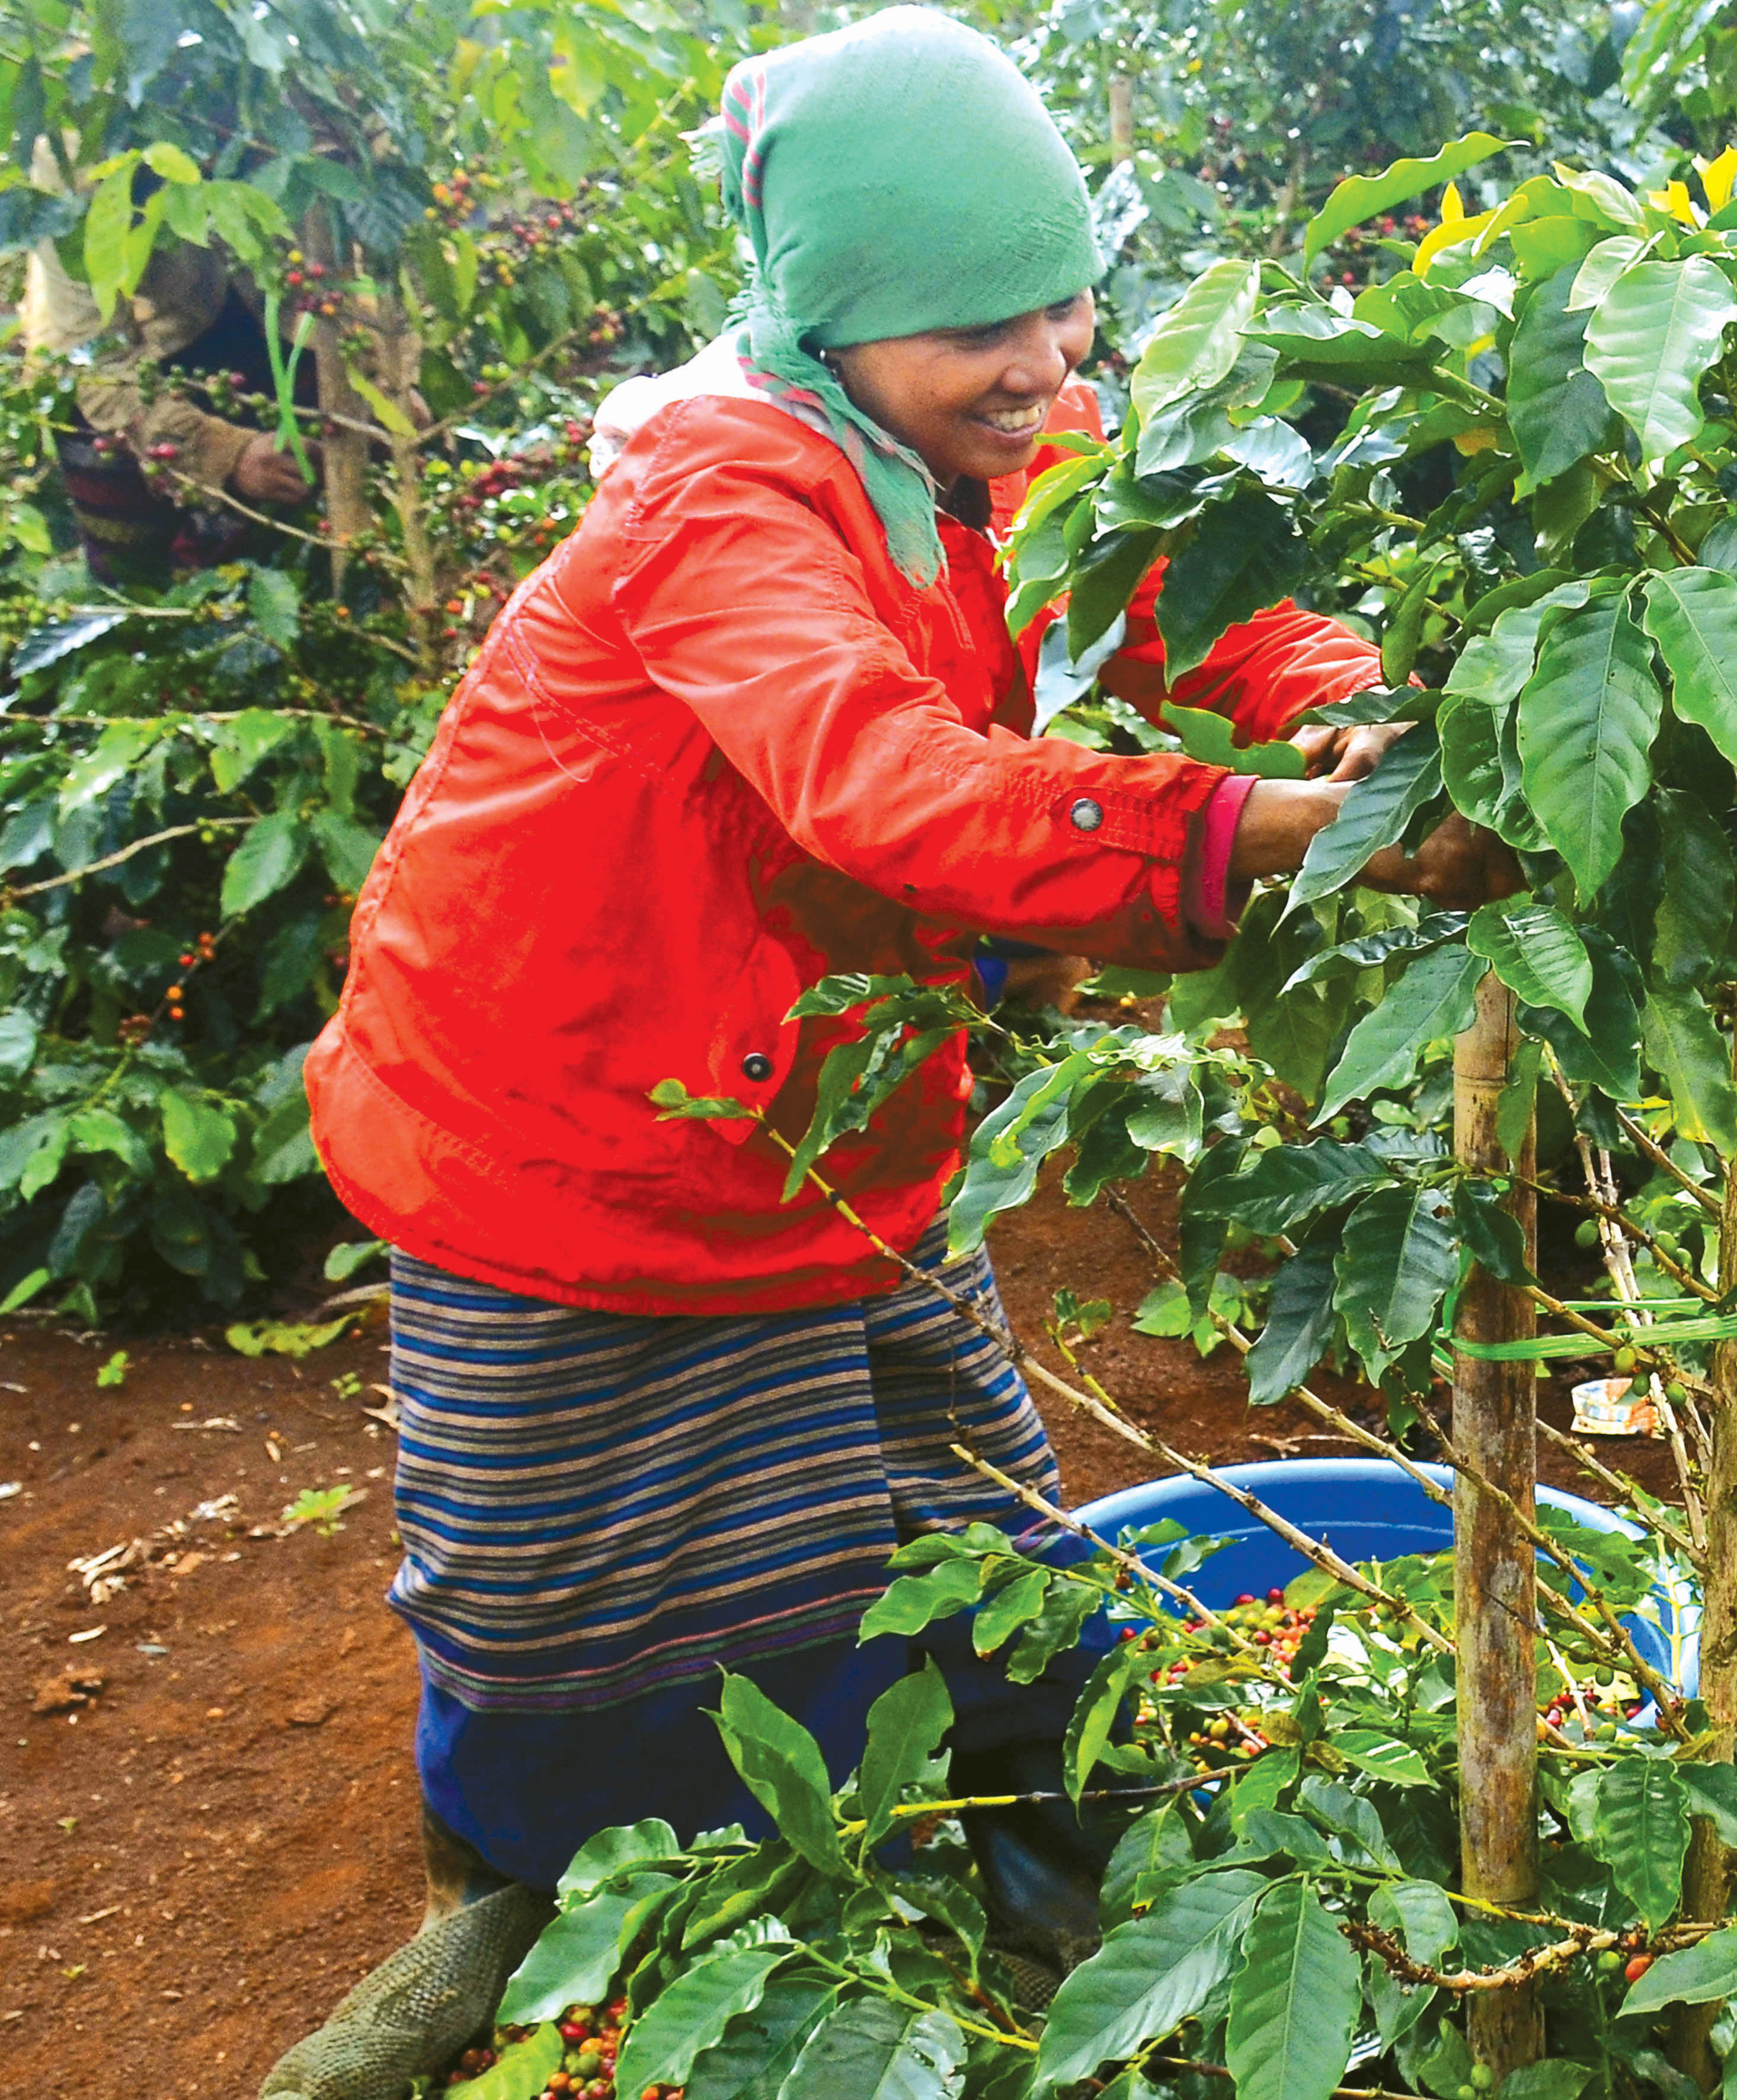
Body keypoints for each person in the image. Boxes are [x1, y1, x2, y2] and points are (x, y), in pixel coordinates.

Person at [270, 12, 1506, 2093]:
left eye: (1056, 301)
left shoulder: (1006, 447)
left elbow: (1187, 602)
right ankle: (537, 1902)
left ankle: (1009, 1827)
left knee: (950, 1502)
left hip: (833, 1103)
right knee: (580, 1583)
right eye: (974, 330)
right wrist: (1283, 839)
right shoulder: (722, 505)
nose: (1041, 362)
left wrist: (1346, 707)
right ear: (834, 329)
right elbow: (886, 791)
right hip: (568, 1118)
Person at [21, 206, 316, 584]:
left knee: (284, 547)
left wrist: (381, 378)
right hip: (117, 374)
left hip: (263, 327)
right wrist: (222, 452)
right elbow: (93, 360)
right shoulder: (73, 162)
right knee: (138, 586)